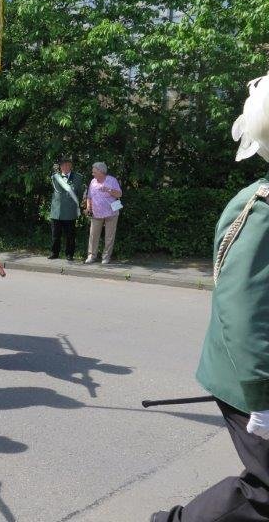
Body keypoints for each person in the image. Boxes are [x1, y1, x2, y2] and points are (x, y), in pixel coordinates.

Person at [153, 72, 269, 522]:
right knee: (264, 494)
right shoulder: (261, 210)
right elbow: (243, 313)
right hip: (252, 378)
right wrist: (261, 397)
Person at [84, 162, 122, 264]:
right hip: (96, 213)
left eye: (94, 172)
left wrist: (109, 190)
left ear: (101, 172)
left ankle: (106, 257)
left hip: (111, 213)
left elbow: (119, 194)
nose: (93, 174)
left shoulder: (112, 180)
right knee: (93, 235)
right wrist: (88, 207)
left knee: (109, 236)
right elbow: (89, 196)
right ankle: (91, 256)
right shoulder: (93, 181)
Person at [49, 156, 85, 261]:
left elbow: (80, 193)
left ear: (71, 166)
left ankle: (69, 254)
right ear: (60, 167)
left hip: (70, 211)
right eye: (63, 165)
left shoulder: (78, 177)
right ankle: (54, 253)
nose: (65, 167)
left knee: (70, 235)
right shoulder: (55, 177)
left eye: (68, 165)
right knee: (55, 235)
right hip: (57, 211)